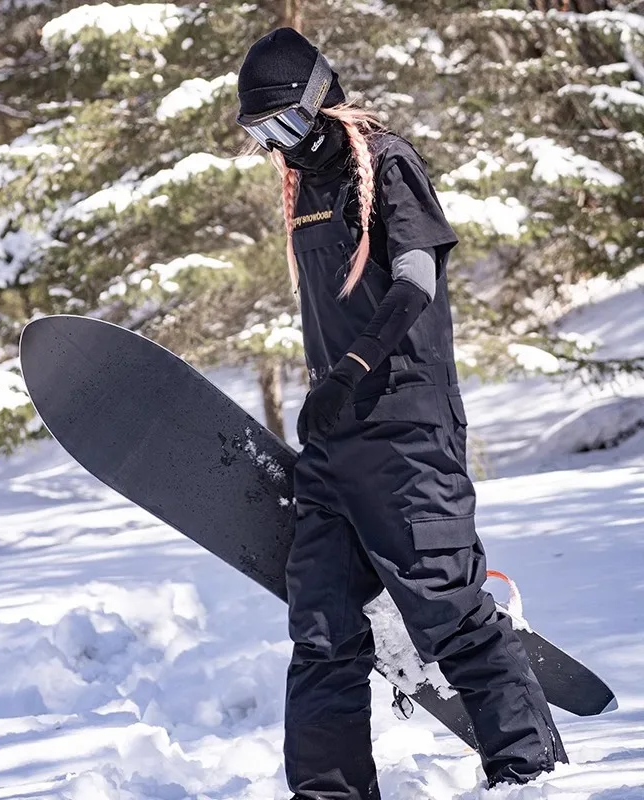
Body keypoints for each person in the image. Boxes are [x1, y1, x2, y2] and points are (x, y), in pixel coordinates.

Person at [235, 27, 567, 800]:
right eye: (261, 135)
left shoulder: (388, 163)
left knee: (450, 612)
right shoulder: (307, 187)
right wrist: (328, 388)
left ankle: (526, 777)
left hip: (406, 431)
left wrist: (352, 368)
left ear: (320, 100)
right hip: (333, 443)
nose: (276, 143)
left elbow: (414, 278)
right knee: (321, 631)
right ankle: (330, 792)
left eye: (283, 123)